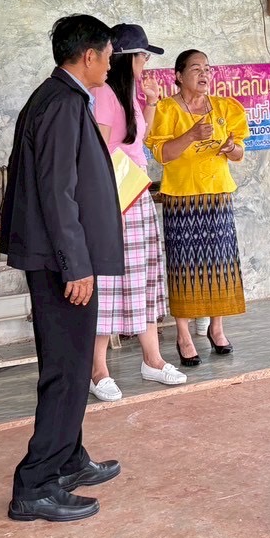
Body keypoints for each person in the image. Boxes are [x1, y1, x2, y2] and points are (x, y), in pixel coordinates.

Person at [0, 15, 125, 523]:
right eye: (109, 54)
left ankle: (69, 459)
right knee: (67, 371)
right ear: (89, 56)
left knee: (72, 367)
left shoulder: (59, 98)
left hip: (63, 257)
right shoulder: (63, 103)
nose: (112, 63)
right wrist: (76, 265)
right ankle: (36, 484)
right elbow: (57, 192)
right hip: (60, 262)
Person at [87, 24, 186, 403]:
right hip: (115, 198)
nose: (146, 63)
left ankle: (152, 358)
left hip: (135, 194)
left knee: (142, 276)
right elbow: (96, 150)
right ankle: (98, 369)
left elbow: (133, 141)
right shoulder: (103, 96)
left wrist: (150, 104)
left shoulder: (126, 94)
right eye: (143, 56)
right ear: (128, 58)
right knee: (111, 281)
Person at [145, 49, 248, 364]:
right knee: (184, 267)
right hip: (181, 198)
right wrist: (190, 134)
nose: (204, 74)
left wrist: (230, 147)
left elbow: (239, 152)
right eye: (195, 68)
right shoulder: (165, 109)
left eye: (207, 68)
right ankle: (183, 334)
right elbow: (162, 155)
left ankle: (217, 328)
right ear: (177, 75)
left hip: (217, 195)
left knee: (221, 263)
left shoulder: (224, 107)